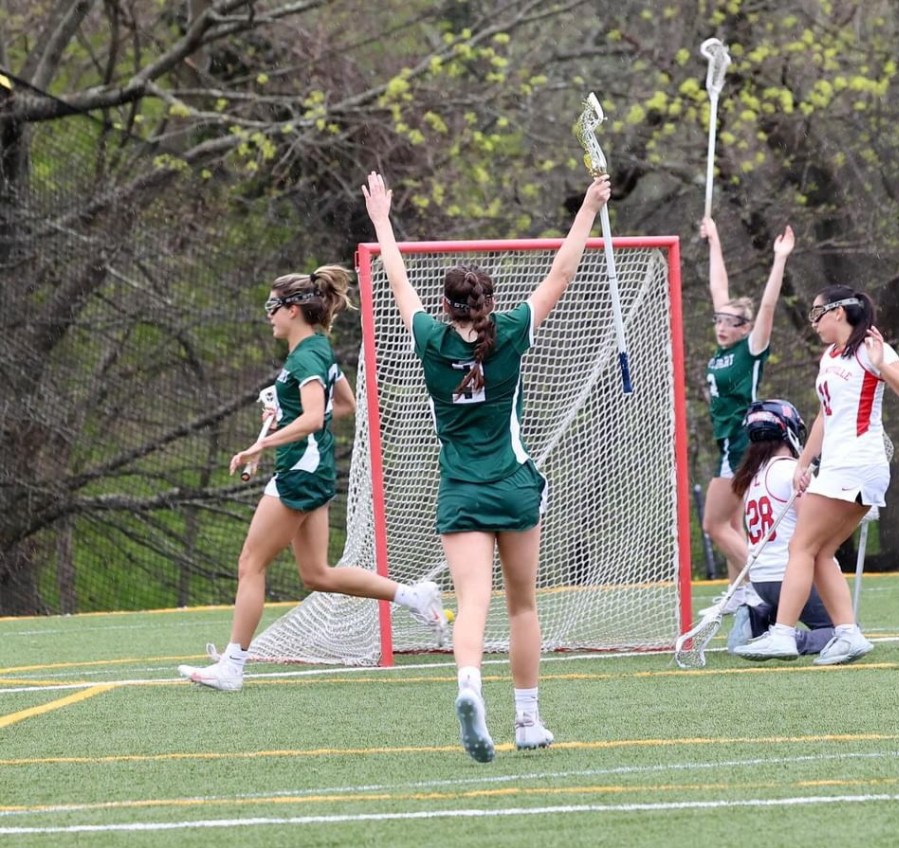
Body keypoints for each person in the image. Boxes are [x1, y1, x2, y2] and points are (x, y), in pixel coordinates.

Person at [362, 169, 612, 763]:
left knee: (473, 599)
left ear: (445, 306)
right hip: (514, 485)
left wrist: (382, 221)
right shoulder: (512, 332)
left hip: (461, 490)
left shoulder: (429, 338)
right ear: (488, 302)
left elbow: (396, 279)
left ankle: (470, 685)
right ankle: (526, 719)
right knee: (522, 603)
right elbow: (561, 274)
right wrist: (588, 205)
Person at [178, 266, 447, 691]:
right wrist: (284, 416)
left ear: (293, 310)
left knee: (250, 564)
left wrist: (260, 446)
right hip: (313, 470)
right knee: (316, 574)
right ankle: (411, 596)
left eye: (272, 306)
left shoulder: (306, 357)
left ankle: (233, 666)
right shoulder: (318, 348)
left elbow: (312, 418)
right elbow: (342, 404)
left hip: (300, 473)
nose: (268, 315)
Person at [734, 285, 899, 665]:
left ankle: (783, 635)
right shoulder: (829, 357)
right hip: (840, 466)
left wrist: (883, 364)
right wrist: (804, 463)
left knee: (800, 547)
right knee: (820, 552)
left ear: (838, 312)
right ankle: (848, 634)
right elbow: (825, 415)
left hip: (856, 464)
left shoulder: (872, 349)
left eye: (817, 314)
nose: (813, 323)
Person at [698, 216, 795, 612]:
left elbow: (768, 305)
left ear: (746, 327)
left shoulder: (750, 349)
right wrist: (715, 240)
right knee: (732, 524)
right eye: (719, 320)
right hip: (728, 440)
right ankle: (740, 595)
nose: (722, 326)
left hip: (741, 439)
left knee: (714, 525)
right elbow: (718, 287)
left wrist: (780, 259)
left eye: (731, 322)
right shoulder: (722, 350)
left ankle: (762, 581)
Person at [724, 400, 835, 656]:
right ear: (789, 431)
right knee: (844, 630)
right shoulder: (792, 471)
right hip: (792, 576)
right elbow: (813, 528)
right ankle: (790, 638)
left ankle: (760, 618)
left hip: (762, 581)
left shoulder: (753, 476)